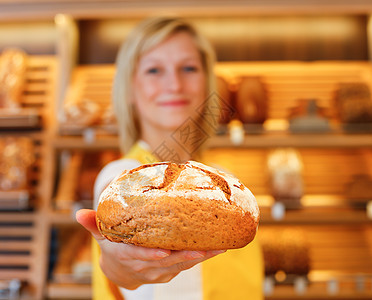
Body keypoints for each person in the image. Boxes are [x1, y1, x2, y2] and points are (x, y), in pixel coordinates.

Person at [76, 16, 264, 300]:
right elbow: (120, 267)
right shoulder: (123, 179)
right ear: (129, 88)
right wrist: (120, 267)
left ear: (206, 83)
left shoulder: (225, 181)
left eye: (188, 68)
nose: (174, 84)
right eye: (154, 70)